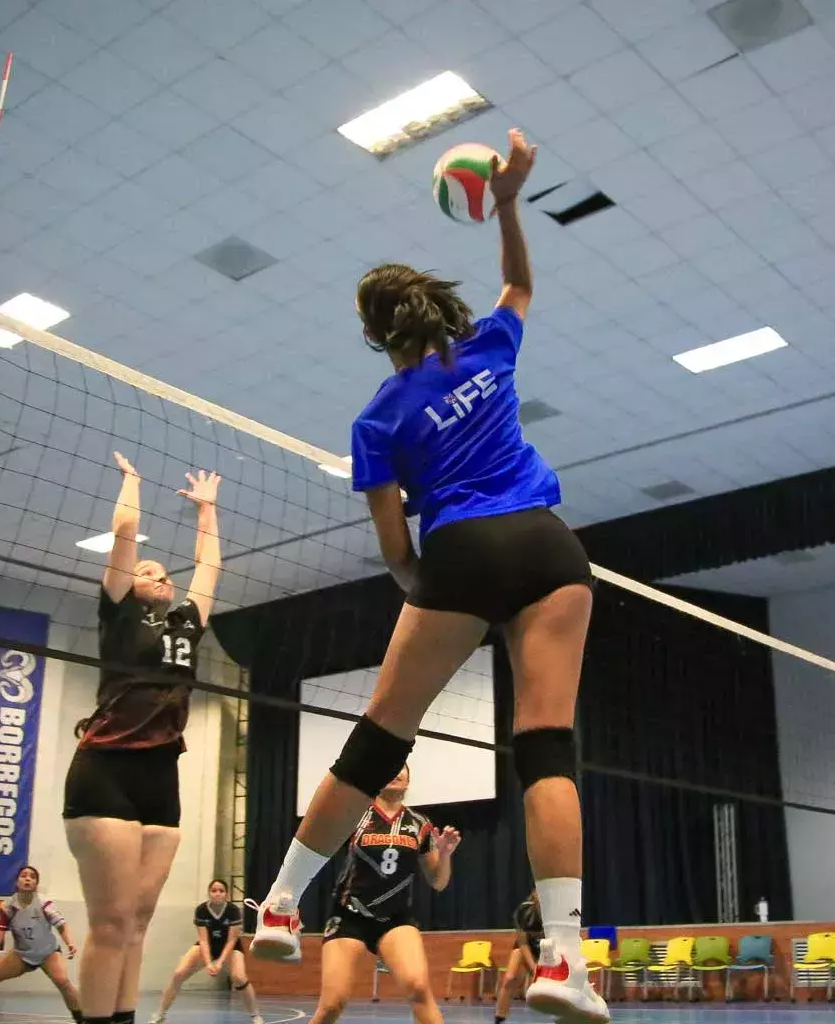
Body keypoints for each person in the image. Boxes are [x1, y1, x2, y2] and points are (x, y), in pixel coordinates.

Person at [250, 127, 609, 1024]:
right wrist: (514, 201)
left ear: (376, 336)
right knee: (546, 748)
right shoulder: (488, 346)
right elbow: (521, 285)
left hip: (462, 550)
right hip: (550, 545)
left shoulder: (378, 418)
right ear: (434, 312)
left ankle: (284, 905)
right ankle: (564, 960)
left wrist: (426, 590)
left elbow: (393, 548)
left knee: (380, 740)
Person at [64, 458, 222, 1024]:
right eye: (145, 570)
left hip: (162, 776)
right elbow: (127, 534)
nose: (157, 572)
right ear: (128, 584)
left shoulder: (186, 623)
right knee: (109, 923)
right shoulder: (118, 615)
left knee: (138, 922)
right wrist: (134, 481)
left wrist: (206, 509)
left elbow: (210, 566)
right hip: (105, 769)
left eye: (162, 570)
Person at [305, 765, 460, 1024]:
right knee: (333, 1004)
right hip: (349, 916)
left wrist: (444, 855)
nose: (396, 772)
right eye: (391, 766)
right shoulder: (355, 815)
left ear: (409, 779)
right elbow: (316, 848)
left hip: (395, 920)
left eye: (403, 769)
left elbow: (438, 882)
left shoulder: (420, 824)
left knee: (419, 988)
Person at [0, 866, 81, 1024]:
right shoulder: (8, 908)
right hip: (22, 954)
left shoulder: (44, 903)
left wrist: (70, 943)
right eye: (24, 876)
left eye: (32, 877)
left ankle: (81, 1018)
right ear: (16, 882)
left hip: (48, 952)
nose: (28, 879)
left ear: (36, 884)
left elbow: (62, 925)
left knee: (62, 981)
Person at [149, 880, 261, 1024]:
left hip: (230, 947)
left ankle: (255, 1015)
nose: (217, 894)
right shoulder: (202, 910)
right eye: (214, 890)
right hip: (207, 945)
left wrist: (219, 962)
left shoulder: (233, 911)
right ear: (209, 893)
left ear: (226, 894)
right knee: (178, 974)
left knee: (239, 977)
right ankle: (160, 1014)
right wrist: (208, 963)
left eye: (221, 891)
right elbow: (203, 940)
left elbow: (231, 940)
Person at [494, 890, 542, 1024]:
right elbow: (523, 944)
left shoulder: (555, 914)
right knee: (509, 978)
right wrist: (534, 968)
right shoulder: (523, 911)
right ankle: (499, 1018)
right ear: (534, 897)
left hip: (548, 949)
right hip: (527, 948)